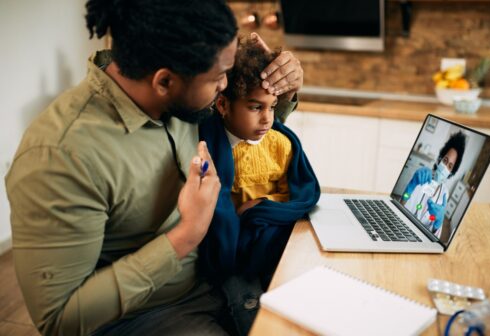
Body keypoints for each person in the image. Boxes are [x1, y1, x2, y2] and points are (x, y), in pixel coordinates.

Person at [4, 0, 304, 335]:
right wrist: (186, 236)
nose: (224, 86)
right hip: (146, 314)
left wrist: (284, 85)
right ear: (164, 82)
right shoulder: (61, 157)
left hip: (221, 275)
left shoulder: (185, 89)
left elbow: (241, 123)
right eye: (220, 77)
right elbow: (60, 319)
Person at [197, 39, 320, 335]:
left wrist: (264, 207)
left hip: (272, 244)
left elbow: (297, 192)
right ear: (223, 105)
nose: (268, 119)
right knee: (249, 308)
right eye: (256, 107)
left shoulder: (280, 144)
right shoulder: (205, 145)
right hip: (231, 265)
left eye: (273, 107)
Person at [402, 132, 466, 238]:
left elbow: (434, 236)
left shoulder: (444, 193)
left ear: (451, 172)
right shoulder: (421, 177)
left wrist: (437, 223)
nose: (445, 167)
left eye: (450, 166)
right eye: (445, 161)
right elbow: (402, 205)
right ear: (440, 159)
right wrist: (410, 187)